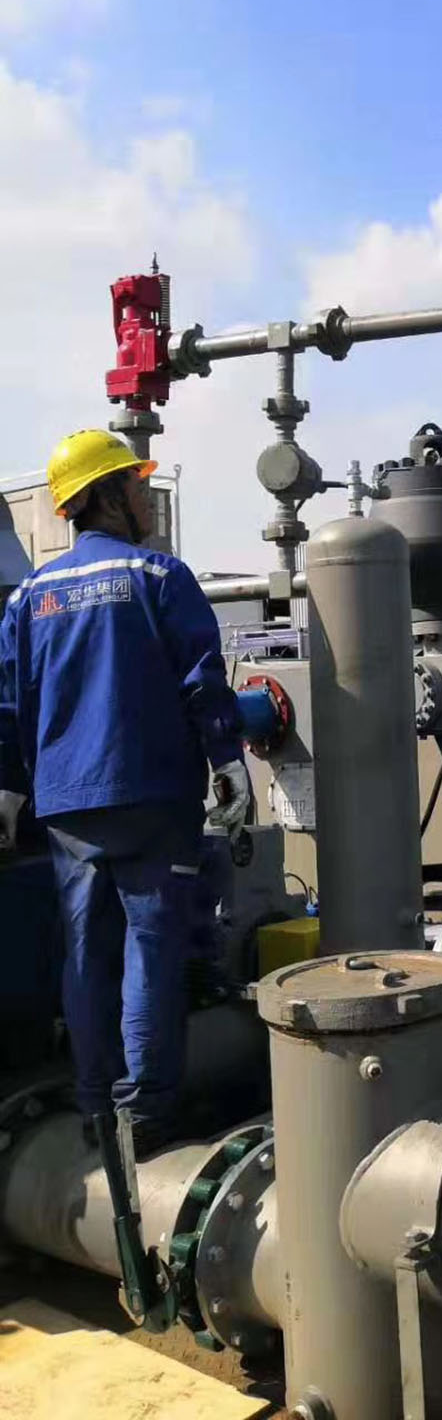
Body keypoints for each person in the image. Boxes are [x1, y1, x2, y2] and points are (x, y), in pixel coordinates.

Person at [0, 429, 250, 1156]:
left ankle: (93, 1110)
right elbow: (202, 681)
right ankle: (145, 1116)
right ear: (107, 497)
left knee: (84, 954)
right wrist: (228, 762)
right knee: (151, 951)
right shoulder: (159, 576)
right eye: (137, 487)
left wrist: (11, 790)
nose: (147, 498)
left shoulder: (30, 596)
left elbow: (10, 705)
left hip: (65, 804)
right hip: (151, 796)